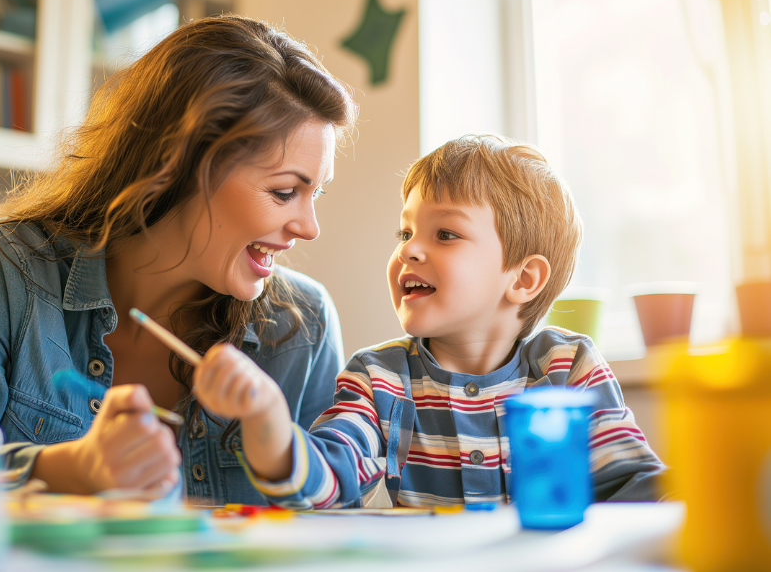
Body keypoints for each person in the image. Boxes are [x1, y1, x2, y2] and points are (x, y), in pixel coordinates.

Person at [0, 15, 357, 504]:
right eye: (285, 191)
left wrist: (281, 448)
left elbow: (339, 527)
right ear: (181, 166)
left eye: (318, 194)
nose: (308, 227)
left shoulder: (302, 326)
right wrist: (69, 469)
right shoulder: (11, 270)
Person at [194, 134, 666, 508]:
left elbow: (635, 487)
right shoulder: (378, 378)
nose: (409, 249)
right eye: (405, 231)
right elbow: (330, 482)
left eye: (445, 233)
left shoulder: (568, 368)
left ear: (523, 278)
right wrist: (269, 426)